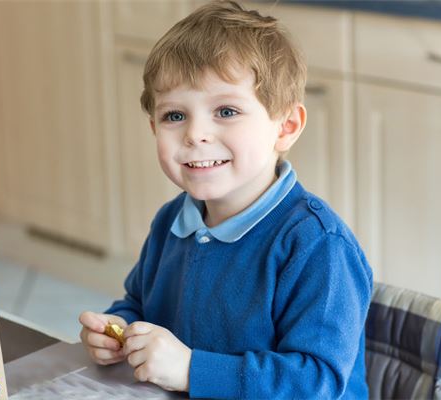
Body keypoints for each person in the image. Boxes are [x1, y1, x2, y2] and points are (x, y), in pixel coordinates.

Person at [79, 1, 373, 398]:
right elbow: (139, 304)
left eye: (226, 110)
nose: (195, 134)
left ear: (286, 127)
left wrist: (190, 369)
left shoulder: (318, 246)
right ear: (153, 127)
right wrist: (119, 329)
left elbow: (316, 383)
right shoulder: (171, 222)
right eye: (174, 116)